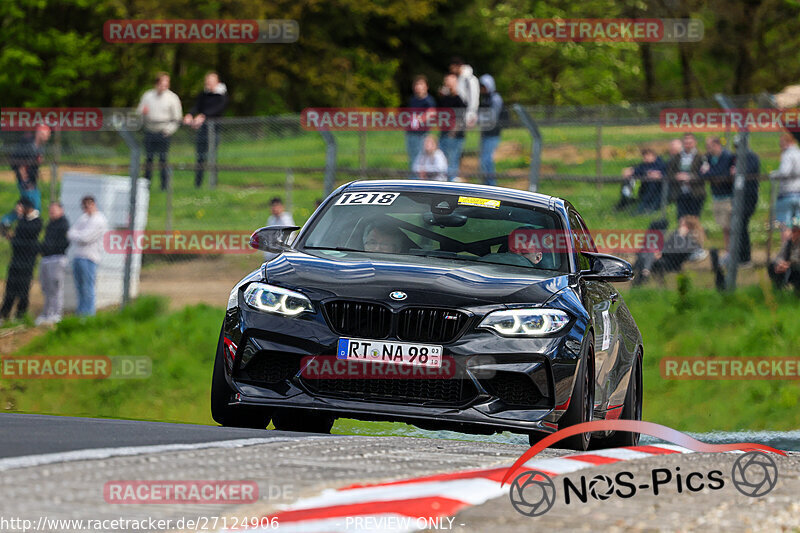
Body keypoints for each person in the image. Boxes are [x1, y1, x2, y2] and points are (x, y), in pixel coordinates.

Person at [137, 72, 183, 191]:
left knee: (163, 160)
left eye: (166, 83)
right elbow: (139, 112)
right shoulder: (147, 96)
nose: (164, 86)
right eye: (162, 83)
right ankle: (146, 185)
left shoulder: (172, 98)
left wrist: (168, 130)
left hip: (164, 132)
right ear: (156, 83)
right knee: (148, 159)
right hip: (150, 131)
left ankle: (164, 187)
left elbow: (177, 118)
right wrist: (143, 113)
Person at [0, 199, 42, 324]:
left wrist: (19, 219)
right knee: (10, 287)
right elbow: (17, 239)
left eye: (21, 208)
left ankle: (20, 314)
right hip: (16, 259)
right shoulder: (22, 220)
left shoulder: (36, 221)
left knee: (23, 289)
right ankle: (4, 313)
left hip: (27, 261)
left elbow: (26, 235)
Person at [184, 72, 228, 188]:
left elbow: (217, 109)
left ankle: (213, 183)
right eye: (207, 81)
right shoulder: (204, 94)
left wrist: (203, 116)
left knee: (212, 157)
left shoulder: (221, 96)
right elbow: (197, 106)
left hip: (214, 130)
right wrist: (190, 114)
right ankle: (198, 184)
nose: (208, 84)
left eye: (211, 81)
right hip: (202, 130)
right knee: (200, 157)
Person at [2, 125, 50, 230]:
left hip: (33, 180)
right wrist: (24, 178)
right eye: (46, 134)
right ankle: (25, 226)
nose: (48, 137)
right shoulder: (29, 145)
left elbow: (35, 162)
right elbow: (20, 162)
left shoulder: (40, 147)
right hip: (26, 181)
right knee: (33, 207)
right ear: (40, 132)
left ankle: (5, 221)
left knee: (29, 206)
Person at [667, 133, 707, 261]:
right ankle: (683, 249)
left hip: (696, 194)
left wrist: (691, 177)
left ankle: (697, 248)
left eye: (690, 142)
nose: (688, 144)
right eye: (686, 142)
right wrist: (677, 176)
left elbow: (704, 174)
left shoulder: (701, 157)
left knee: (694, 222)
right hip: (681, 194)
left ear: (694, 143)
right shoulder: (677, 157)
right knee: (682, 221)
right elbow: (670, 172)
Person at [67, 196, 108, 317]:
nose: (87, 208)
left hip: (90, 257)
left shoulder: (99, 220)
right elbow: (70, 232)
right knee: (79, 288)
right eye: (84, 206)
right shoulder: (84, 218)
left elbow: (86, 238)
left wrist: (78, 236)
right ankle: (80, 313)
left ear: (94, 204)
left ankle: (88, 314)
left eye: (89, 205)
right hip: (78, 256)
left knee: (88, 288)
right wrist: (79, 236)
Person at [36, 202, 70, 326]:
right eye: (50, 210)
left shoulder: (63, 224)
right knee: (46, 288)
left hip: (57, 258)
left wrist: (52, 248)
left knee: (55, 287)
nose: (52, 212)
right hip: (46, 258)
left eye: (54, 210)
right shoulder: (50, 224)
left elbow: (64, 243)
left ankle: (56, 313)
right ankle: (46, 313)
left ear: (61, 210)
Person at [700, 137, 735, 250]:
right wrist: (711, 174)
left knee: (729, 227)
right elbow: (702, 174)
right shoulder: (709, 158)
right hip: (716, 196)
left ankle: (731, 250)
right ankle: (727, 249)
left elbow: (722, 173)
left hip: (728, 196)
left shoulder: (726, 156)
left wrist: (710, 173)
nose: (707, 149)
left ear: (716, 145)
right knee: (724, 227)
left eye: (709, 146)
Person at [617, 148, 667, 213]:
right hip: (644, 185)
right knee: (629, 181)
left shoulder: (660, 164)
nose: (645, 158)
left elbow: (664, 172)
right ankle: (624, 201)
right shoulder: (645, 164)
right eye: (644, 157)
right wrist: (631, 170)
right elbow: (639, 169)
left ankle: (644, 205)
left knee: (652, 182)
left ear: (653, 156)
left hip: (657, 186)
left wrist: (658, 174)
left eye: (647, 156)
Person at [405, 75, 437, 177]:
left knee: (419, 158)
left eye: (421, 85)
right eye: (417, 85)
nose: (418, 87)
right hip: (411, 133)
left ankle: (417, 180)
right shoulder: (412, 100)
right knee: (412, 157)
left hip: (422, 133)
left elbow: (431, 113)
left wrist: (419, 119)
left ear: (426, 87)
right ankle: (412, 178)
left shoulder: (429, 100)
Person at [438, 74, 466, 181]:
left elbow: (460, 118)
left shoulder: (459, 99)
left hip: (455, 136)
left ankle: (452, 182)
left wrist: (453, 132)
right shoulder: (444, 99)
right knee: (443, 159)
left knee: (453, 159)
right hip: (444, 133)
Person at [478, 74, 504, 186]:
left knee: (487, 160)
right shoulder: (486, 98)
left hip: (493, 134)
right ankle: (486, 183)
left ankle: (491, 185)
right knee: (484, 161)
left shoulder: (495, 99)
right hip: (485, 133)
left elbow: (492, 117)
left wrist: (478, 119)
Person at [771, 133, 800, 232]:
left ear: (788, 142)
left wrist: (774, 175)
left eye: (781, 142)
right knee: (797, 225)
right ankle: (795, 246)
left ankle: (785, 247)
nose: (780, 145)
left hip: (787, 194)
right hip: (798, 194)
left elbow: (784, 172)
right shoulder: (798, 153)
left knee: (785, 225)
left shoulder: (788, 154)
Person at [768, 215, 800, 294]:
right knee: (772, 265)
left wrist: (789, 264)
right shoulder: (789, 243)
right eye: (792, 230)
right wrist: (780, 263)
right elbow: (780, 256)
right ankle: (780, 289)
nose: (793, 233)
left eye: (796, 230)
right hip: (789, 268)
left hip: (796, 268)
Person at [448, 57, 480, 128]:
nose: (452, 71)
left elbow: (473, 98)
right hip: (459, 111)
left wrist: (471, 115)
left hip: (467, 113)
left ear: (458, 66)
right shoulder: (459, 78)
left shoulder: (470, 79)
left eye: (452, 68)